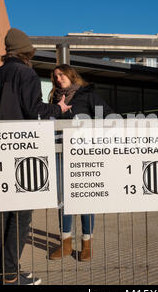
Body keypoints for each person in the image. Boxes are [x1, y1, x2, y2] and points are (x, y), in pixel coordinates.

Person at [0, 28, 72, 285]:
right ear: (27, 53)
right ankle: (10, 277)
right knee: (21, 216)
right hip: (21, 156)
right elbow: (35, 110)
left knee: (1, 215)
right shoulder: (26, 74)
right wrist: (58, 108)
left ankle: (8, 272)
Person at [48, 64, 114, 262]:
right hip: (59, 152)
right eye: (55, 76)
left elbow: (109, 116)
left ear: (71, 75)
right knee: (63, 199)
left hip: (82, 153)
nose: (58, 79)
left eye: (61, 75)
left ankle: (87, 243)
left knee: (84, 197)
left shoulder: (87, 94)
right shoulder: (54, 98)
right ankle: (66, 243)